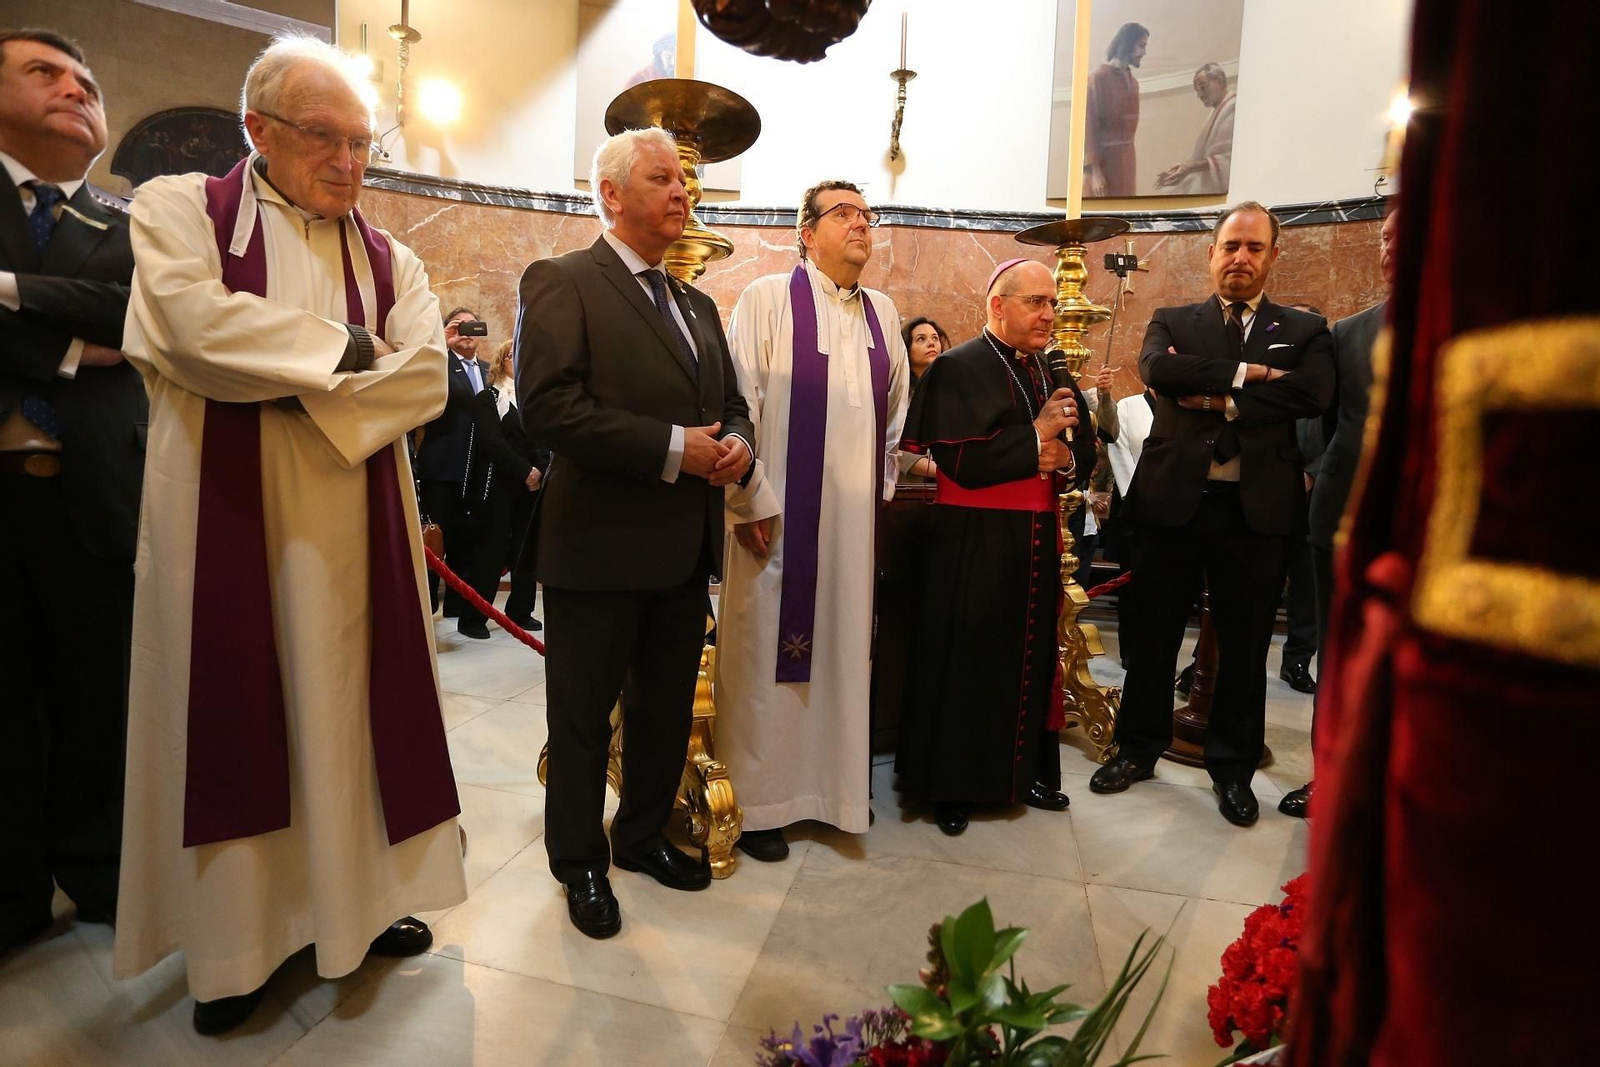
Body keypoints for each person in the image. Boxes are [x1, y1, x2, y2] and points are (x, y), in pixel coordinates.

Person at [113, 34, 466, 1034]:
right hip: (223, 522)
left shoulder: (393, 253)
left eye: (363, 145)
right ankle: (234, 950)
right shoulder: (181, 210)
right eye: (326, 138)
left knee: (353, 716)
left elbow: (430, 374)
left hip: (360, 541)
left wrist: (285, 381)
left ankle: (353, 910)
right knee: (234, 710)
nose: (349, 164)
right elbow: (190, 327)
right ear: (257, 129)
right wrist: (351, 359)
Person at [517, 126, 754, 939]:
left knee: (663, 711)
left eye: (687, 185)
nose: (682, 196)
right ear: (612, 193)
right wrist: (672, 449)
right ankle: (579, 862)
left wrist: (738, 445)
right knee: (584, 717)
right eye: (663, 180)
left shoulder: (696, 302)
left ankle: (642, 835)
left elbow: (733, 403)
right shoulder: (563, 280)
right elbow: (550, 407)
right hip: (599, 544)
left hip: (685, 547)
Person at [1090, 202, 1333, 827]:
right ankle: (1138, 748)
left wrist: (1215, 400)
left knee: (1247, 646)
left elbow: (1310, 392)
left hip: (1255, 511)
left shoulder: (1305, 330)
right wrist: (1252, 377)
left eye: (1254, 248)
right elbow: (1159, 370)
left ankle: (1232, 767)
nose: (1240, 258)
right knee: (1151, 636)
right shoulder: (1172, 319)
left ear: (1273, 256)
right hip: (1171, 505)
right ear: (1211, 253)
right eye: (1230, 246)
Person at [0, 27, 144, 957]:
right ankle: (9, 892)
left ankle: (97, 871)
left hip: (95, 492)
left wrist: (7, 291)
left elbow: (139, 318)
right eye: (44, 73)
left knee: (99, 698)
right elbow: (97, 327)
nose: (74, 90)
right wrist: (69, 344)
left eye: (87, 80)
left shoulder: (133, 223)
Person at [715, 180, 909, 861]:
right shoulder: (767, 299)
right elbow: (741, 401)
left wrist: (872, 501)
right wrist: (747, 500)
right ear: (807, 232)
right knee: (769, 653)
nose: (861, 224)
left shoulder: (883, 312)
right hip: (775, 520)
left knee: (842, 651)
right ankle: (763, 802)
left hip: (850, 531)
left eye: (866, 214)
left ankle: (835, 793)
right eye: (844, 213)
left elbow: (894, 420)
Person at [895, 259, 1095, 836]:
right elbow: (959, 462)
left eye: (1053, 303)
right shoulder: (958, 369)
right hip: (974, 540)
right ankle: (952, 786)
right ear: (998, 305)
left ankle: (1025, 773)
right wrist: (1036, 439)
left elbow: (1086, 450)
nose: (1048, 314)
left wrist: (1065, 456)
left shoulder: (1050, 369)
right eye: (1036, 302)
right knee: (969, 662)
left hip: (1034, 542)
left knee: (1030, 660)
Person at [1280, 208, 1396, 819]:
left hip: (1426, 529)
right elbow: (1312, 421)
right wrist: (1327, 470)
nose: (1391, 249)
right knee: (1338, 654)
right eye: (1385, 237)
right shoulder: (1348, 334)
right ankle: (1329, 778)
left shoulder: (1467, 330)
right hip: (1342, 517)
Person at [457, 338, 549, 638]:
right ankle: (473, 619)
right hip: (496, 486)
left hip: (530, 486)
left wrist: (538, 470)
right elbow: (492, 443)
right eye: (513, 354)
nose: (519, 359)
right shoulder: (487, 399)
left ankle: (520, 611)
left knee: (525, 551)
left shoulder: (531, 399)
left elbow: (541, 440)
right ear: (500, 360)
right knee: (491, 552)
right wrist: (525, 471)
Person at [416, 305, 489, 623]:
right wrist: (441, 346)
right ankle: (428, 605)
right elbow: (423, 390)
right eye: (459, 327)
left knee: (467, 539)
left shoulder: (488, 371)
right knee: (436, 539)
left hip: (478, 472)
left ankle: (459, 606)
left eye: (473, 327)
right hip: (443, 466)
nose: (467, 333)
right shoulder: (438, 365)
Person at [1084, 22, 1148, 198]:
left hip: (1127, 160)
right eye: (1141, 46)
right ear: (1127, 43)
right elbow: (1089, 128)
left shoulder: (1133, 83)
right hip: (1105, 163)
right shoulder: (1097, 79)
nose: (1144, 52)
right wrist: (1096, 172)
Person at [1155, 64, 1237, 195]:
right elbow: (1199, 156)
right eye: (1197, 91)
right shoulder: (1217, 111)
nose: (1200, 95)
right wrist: (1178, 171)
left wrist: (1189, 168)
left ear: (1220, 81)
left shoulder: (1232, 107)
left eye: (1203, 88)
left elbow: (1228, 159)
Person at [899, 315, 946, 481]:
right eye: (921, 339)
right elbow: (895, 451)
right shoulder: (899, 397)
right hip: (909, 492)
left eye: (935, 338)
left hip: (949, 489)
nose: (931, 343)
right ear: (907, 349)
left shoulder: (949, 393)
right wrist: (943, 473)